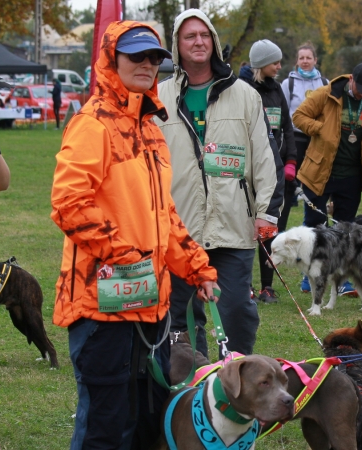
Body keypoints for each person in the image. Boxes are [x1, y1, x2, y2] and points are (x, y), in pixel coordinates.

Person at [50, 21, 219, 449]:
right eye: (136, 57)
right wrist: (125, 254)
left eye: (154, 58)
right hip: (100, 308)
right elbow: (68, 204)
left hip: (150, 305)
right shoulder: (93, 124)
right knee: (105, 426)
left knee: (148, 423)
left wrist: (198, 268)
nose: (146, 65)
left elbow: (164, 217)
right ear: (111, 61)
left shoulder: (151, 129)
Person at [156, 9, 283, 358]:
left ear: (213, 41)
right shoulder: (158, 98)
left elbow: (265, 158)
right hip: (178, 228)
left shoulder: (244, 95)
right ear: (176, 46)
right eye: (189, 36)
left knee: (237, 311)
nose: (198, 41)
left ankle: (238, 379)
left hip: (232, 224)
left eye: (204, 35)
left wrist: (266, 214)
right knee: (179, 320)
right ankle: (191, 386)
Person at [292, 62, 362, 232]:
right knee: (315, 224)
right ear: (351, 79)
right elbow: (299, 116)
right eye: (359, 89)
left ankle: (338, 258)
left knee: (345, 227)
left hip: (352, 175)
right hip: (320, 170)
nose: (361, 95)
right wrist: (321, 129)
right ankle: (310, 258)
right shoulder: (326, 93)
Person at [239, 39, 297, 304]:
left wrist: (290, 161)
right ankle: (245, 285)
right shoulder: (242, 89)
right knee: (244, 229)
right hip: (247, 170)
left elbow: (287, 126)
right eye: (275, 62)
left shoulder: (276, 91)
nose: (279, 66)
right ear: (262, 64)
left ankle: (267, 286)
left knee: (271, 228)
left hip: (276, 171)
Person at [281, 43, 329, 171]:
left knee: (315, 176)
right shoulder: (288, 84)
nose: (305, 61)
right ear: (297, 60)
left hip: (318, 137)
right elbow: (284, 113)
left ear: (315, 60)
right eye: (301, 58)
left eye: (308, 58)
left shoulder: (325, 84)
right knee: (294, 178)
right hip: (296, 137)